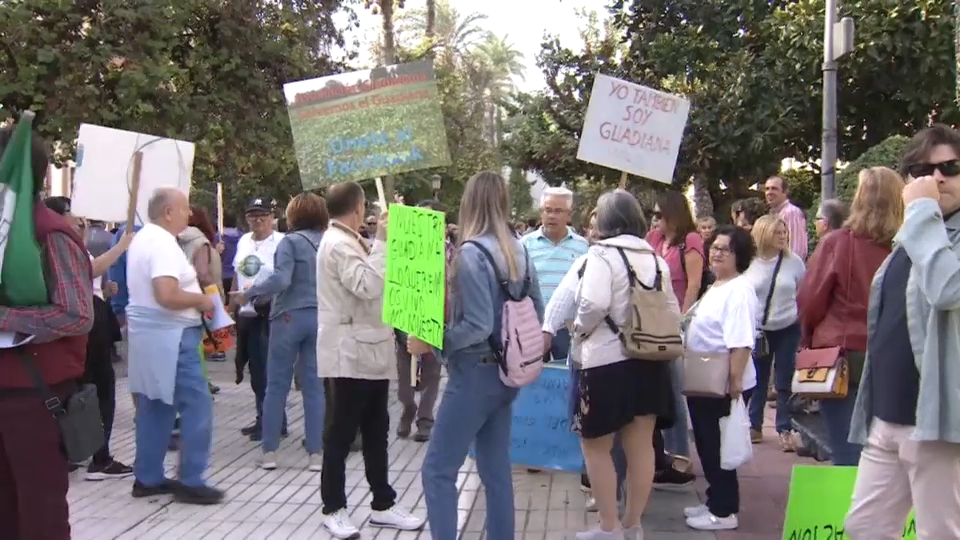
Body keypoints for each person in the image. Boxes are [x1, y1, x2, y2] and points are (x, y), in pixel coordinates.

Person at [407, 171, 544, 540]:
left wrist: (433, 342)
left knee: (438, 471)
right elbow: (537, 311)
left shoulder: (471, 254)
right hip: (506, 375)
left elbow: (479, 324)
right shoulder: (519, 249)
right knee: (496, 472)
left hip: (474, 375)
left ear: (470, 202)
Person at [845, 125, 960, 539]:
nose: (937, 178)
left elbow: (948, 289)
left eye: (950, 167)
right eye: (922, 170)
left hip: (940, 424)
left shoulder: (927, 229)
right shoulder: (913, 235)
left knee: (940, 533)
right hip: (888, 416)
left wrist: (923, 213)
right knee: (865, 528)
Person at [566, 189, 679, 540]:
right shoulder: (656, 258)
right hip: (650, 360)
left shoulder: (601, 254)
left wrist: (578, 329)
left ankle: (608, 527)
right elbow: (672, 310)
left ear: (607, 220)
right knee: (641, 445)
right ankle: (633, 526)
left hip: (605, 363)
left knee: (596, 447)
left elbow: (592, 304)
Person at [0, 124, 95, 540]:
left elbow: (76, 314)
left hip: (36, 396)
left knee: (40, 510)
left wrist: (6, 319)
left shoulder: (50, 232)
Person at [316, 181, 423, 538]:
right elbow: (366, 285)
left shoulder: (353, 241)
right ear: (359, 208)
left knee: (377, 432)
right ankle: (333, 507)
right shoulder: (336, 244)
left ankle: (383, 502)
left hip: (371, 350)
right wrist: (382, 242)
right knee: (340, 434)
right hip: (348, 354)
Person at [798, 167, 903, 466]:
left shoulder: (840, 242)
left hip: (842, 355)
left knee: (846, 451)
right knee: (886, 455)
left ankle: (848, 510)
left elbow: (810, 300)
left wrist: (808, 337)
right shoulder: (907, 246)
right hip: (893, 359)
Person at [126, 187, 222, 504]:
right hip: (173, 337)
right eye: (184, 209)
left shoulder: (144, 239)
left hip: (150, 335)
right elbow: (166, 294)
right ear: (168, 212)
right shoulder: (163, 243)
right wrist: (203, 300)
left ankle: (149, 477)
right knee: (197, 404)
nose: (189, 214)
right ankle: (192, 479)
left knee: (156, 405)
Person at [231, 193, 328, 472]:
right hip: (319, 316)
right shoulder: (327, 243)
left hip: (288, 317)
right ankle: (315, 454)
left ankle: (270, 452)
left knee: (276, 386)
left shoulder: (290, 242)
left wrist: (250, 293)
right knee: (313, 387)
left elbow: (282, 279)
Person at [43, 196, 135, 480]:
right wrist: (120, 247)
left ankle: (80, 450)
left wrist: (105, 289)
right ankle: (99, 455)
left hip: (93, 311)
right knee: (98, 388)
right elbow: (87, 271)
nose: (79, 217)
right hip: (86, 323)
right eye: (71, 212)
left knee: (81, 386)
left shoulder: (70, 241)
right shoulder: (59, 242)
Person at [682, 225, 759, 531]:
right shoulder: (717, 285)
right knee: (706, 442)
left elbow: (741, 341)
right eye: (714, 246)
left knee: (718, 448)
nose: (716, 253)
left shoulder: (739, 290)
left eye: (725, 249)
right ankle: (714, 500)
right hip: (705, 378)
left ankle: (725, 510)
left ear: (739, 256)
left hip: (721, 382)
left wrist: (734, 381)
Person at [520, 187, 590, 479]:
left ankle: (564, 450)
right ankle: (534, 451)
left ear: (569, 214)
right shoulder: (524, 245)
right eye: (547, 209)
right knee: (533, 391)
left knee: (566, 391)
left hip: (568, 331)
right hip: (533, 327)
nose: (551, 215)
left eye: (557, 210)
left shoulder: (583, 248)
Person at [645, 191, 700, 488]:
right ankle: (660, 455)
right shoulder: (653, 239)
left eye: (658, 214)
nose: (654, 220)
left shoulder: (690, 241)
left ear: (673, 214)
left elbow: (692, 285)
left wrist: (680, 321)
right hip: (652, 324)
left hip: (676, 325)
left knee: (675, 391)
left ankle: (679, 455)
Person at [744, 215, 805, 451]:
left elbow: (803, 290)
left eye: (784, 232)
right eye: (777, 232)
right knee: (757, 378)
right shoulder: (749, 263)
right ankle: (754, 425)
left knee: (784, 379)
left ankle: (784, 428)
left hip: (788, 326)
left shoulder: (794, 262)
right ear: (764, 234)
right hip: (759, 329)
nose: (783, 236)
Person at [230, 197, 286, 441]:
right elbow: (237, 273)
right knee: (254, 368)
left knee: (268, 369)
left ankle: (274, 421)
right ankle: (262, 416)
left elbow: (285, 278)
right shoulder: (244, 241)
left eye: (263, 215)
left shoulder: (282, 242)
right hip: (246, 314)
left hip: (270, 313)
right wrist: (231, 304)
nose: (258, 220)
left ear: (272, 218)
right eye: (253, 215)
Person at [394, 200, 446, 442]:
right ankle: (408, 409)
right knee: (405, 383)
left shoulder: (450, 252)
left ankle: (425, 420)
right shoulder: (402, 250)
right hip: (405, 324)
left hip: (436, 325)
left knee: (432, 377)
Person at [180, 206, 223, 396]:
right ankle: (201, 386)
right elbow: (203, 274)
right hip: (199, 299)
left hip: (179, 299)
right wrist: (214, 299)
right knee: (197, 346)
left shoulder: (174, 239)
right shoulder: (200, 241)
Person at [764, 175, 808, 259]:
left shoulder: (791, 212)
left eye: (774, 188)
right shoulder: (774, 213)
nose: (769, 192)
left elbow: (797, 249)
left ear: (785, 192)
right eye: (767, 189)